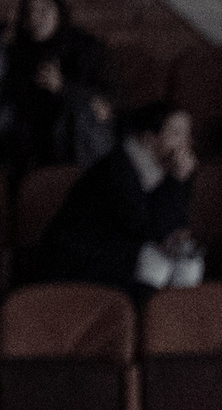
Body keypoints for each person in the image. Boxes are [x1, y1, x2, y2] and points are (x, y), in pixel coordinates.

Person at [21, 102, 200, 290]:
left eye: (188, 134)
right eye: (177, 134)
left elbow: (176, 224)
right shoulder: (117, 169)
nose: (186, 142)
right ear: (149, 138)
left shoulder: (170, 170)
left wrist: (179, 183)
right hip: (81, 260)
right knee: (155, 264)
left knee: (190, 264)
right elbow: (146, 228)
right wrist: (176, 181)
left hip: (123, 252)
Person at [3, 0, 114, 171]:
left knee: (84, 112)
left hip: (76, 137)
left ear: (59, 13)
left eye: (44, 10)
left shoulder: (84, 47)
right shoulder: (21, 50)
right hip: (32, 139)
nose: (36, 17)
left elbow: (106, 102)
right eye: (30, 11)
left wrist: (62, 86)